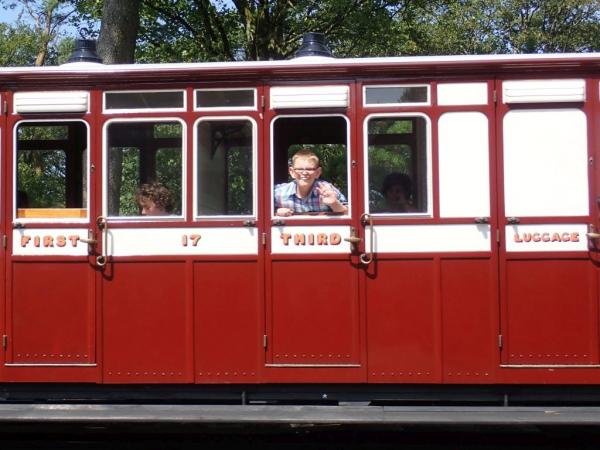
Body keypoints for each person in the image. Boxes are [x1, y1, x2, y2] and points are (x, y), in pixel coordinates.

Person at [274, 149, 347, 216]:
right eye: (299, 169)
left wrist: (334, 204)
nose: (304, 173)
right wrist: (276, 212)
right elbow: (266, 213)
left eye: (309, 169)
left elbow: (349, 213)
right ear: (292, 172)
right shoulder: (278, 193)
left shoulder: (327, 190)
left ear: (318, 172)